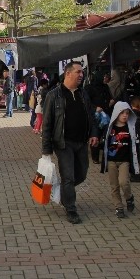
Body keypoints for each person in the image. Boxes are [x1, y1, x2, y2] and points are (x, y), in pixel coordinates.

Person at [41, 61, 99, 224]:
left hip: (81, 142)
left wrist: (94, 133)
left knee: (81, 174)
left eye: (82, 72)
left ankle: (64, 193)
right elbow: (47, 124)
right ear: (68, 73)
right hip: (63, 143)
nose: (81, 75)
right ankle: (71, 209)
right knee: (68, 177)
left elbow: (91, 116)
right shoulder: (54, 95)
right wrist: (46, 150)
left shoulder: (83, 94)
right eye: (78, 72)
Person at [101, 101, 138, 218]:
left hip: (124, 161)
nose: (125, 115)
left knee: (123, 182)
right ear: (117, 113)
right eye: (122, 113)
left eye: (127, 113)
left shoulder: (130, 128)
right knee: (114, 186)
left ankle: (129, 197)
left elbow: (134, 146)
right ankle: (119, 207)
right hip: (112, 160)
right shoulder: (109, 128)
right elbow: (104, 142)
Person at [86, 71, 114, 164]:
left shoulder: (105, 87)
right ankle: (95, 158)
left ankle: (107, 156)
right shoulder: (89, 88)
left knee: (107, 136)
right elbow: (86, 102)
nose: (104, 79)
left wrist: (111, 101)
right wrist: (95, 108)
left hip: (106, 115)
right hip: (95, 117)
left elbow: (109, 97)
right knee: (95, 135)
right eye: (103, 77)